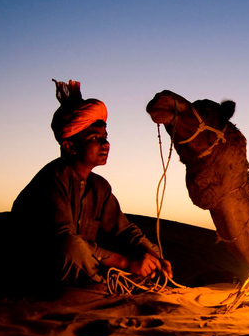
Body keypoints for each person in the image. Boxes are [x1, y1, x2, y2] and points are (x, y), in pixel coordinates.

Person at [12, 79, 172, 286]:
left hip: (83, 267)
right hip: (39, 270)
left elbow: (124, 230)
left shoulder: (99, 187)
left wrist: (152, 254)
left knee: (144, 255)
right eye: (95, 138)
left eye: (105, 137)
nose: (105, 144)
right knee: (71, 246)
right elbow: (65, 241)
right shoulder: (54, 178)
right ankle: (99, 289)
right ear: (70, 147)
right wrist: (127, 262)